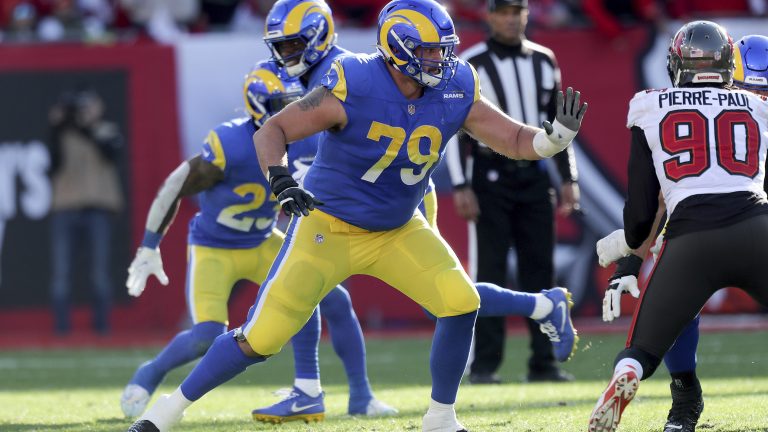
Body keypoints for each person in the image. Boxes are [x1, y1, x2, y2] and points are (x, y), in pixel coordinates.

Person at [126, 0, 586, 431]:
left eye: (441, 51)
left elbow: (511, 138)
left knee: (460, 301)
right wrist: (281, 180)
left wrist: (551, 142)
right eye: (426, 51)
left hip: (398, 227)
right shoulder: (355, 80)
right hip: (329, 226)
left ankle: (440, 418)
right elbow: (274, 129)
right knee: (260, 339)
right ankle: (167, 414)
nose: (438, 61)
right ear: (398, 48)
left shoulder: (456, 82)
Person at [120, 61, 393, 422]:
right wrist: (149, 244)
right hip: (215, 248)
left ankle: (348, 394)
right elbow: (175, 184)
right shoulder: (230, 142)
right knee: (206, 336)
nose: (292, 109)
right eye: (282, 103)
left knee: (329, 297)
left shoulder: (305, 137)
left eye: (294, 101)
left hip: (263, 240)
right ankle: (151, 372)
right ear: (258, 105)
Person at [588, 21, 768, 432]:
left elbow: (645, 204)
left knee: (641, 349)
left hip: (692, 239)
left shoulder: (651, 105)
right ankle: (685, 400)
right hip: (757, 226)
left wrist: (630, 249)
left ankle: (632, 371)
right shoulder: (756, 106)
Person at [249, 0, 398, 421]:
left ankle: (311, 391)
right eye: (281, 45)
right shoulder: (302, 72)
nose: (286, 54)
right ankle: (347, 394)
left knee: (448, 294)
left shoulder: (344, 71)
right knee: (324, 297)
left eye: (294, 43)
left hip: (369, 196)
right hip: (332, 197)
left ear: (317, 34)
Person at [445, 0, 579, 384]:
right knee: (491, 267)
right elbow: (456, 130)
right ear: (488, 16)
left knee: (541, 266)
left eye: (515, 10)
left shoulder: (544, 59)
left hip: (535, 174)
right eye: (501, 11)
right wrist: (461, 184)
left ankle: (545, 363)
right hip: (490, 174)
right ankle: (485, 365)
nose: (509, 18)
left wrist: (568, 178)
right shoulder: (471, 63)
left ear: (526, 15)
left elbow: (558, 124)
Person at [47, 89, 124, 335]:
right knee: (61, 274)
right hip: (66, 207)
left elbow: (110, 153)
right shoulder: (63, 133)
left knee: (99, 274)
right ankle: (61, 330)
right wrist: (57, 127)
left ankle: (102, 329)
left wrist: (86, 126)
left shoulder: (107, 130)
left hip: (98, 208)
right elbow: (52, 162)